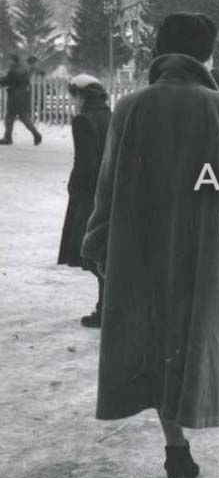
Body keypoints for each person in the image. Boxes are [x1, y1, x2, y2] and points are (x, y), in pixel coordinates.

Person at [81, 12, 219, 478]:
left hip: (143, 254)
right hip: (215, 257)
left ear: (162, 51)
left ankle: (177, 457)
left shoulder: (131, 108)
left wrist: (99, 242)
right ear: (205, 54)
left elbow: (107, 186)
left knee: (159, 347)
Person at [57, 75, 112, 328]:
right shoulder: (110, 115)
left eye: (73, 97)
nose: (73, 103)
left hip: (88, 193)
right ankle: (106, 307)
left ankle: (106, 309)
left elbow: (84, 162)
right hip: (110, 190)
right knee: (103, 252)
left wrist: (74, 188)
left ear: (80, 96)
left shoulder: (82, 120)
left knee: (90, 252)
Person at [0, 54, 42, 145]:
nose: (8, 63)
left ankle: (8, 138)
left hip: (15, 97)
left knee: (9, 118)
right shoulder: (24, 71)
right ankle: (36, 134)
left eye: (10, 60)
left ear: (14, 61)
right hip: (24, 96)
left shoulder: (13, 71)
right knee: (24, 117)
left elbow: (6, 81)